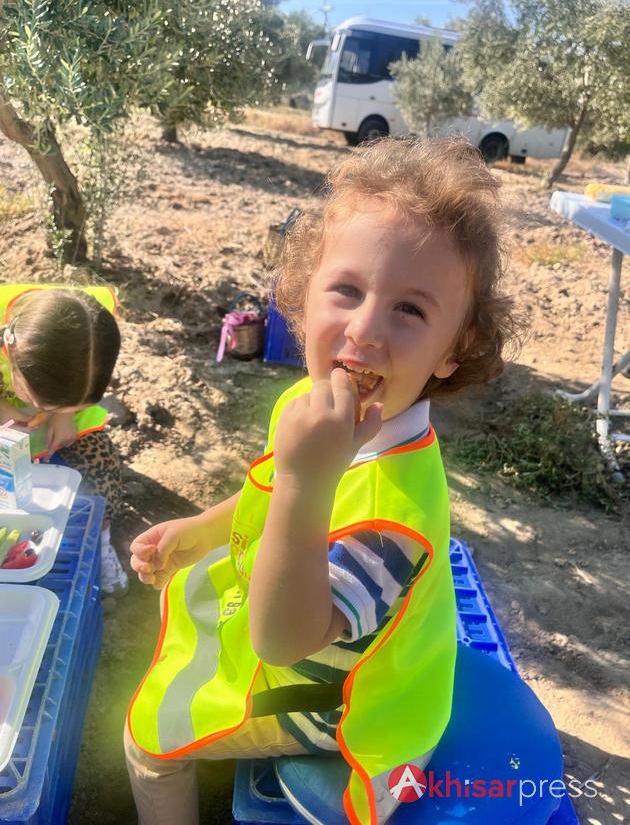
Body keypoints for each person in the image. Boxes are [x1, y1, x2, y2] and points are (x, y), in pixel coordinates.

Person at [124, 136, 520, 825]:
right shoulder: (316, 408)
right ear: (303, 300)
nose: (364, 330)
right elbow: (270, 488)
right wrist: (204, 529)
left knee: (146, 743)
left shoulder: (392, 517)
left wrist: (307, 483)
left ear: (454, 350)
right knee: (188, 619)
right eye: (347, 290)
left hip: (343, 703)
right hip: (313, 636)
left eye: (410, 310)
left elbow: (284, 640)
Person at [0, 284, 128, 595]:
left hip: (62, 428)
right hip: (6, 419)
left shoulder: (91, 332)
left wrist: (63, 415)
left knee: (100, 463)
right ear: (13, 359)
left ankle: (100, 540)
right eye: (47, 403)